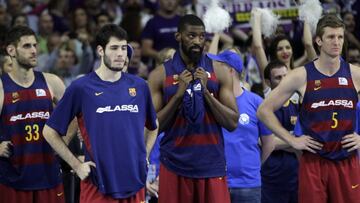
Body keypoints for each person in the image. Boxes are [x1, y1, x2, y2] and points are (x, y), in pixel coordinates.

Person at [42, 24, 159, 203]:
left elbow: (153, 126)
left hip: (135, 184)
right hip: (98, 186)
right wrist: (77, 165)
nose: (121, 54)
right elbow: (49, 132)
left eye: (123, 48)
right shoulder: (81, 87)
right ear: (100, 50)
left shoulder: (140, 86)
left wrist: (145, 155)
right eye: (114, 48)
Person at [257, 14, 360, 203]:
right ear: (318, 40)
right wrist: (291, 140)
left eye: (340, 37)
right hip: (313, 162)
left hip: (347, 160)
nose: (336, 42)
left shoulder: (355, 74)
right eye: (330, 37)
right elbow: (264, 110)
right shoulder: (301, 75)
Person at [148, 14, 239, 203]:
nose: (198, 41)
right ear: (178, 37)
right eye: (191, 36)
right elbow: (152, 127)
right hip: (174, 165)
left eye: (201, 36)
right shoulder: (159, 75)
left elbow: (232, 122)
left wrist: (206, 93)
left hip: (211, 164)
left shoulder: (220, 71)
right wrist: (178, 96)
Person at [0, 26, 68, 203]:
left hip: (49, 176)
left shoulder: (51, 81)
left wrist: (64, 143)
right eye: (27, 46)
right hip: (13, 180)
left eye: (35, 45)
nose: (33, 51)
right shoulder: (1, 88)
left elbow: (76, 115)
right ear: (11, 50)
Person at [208, 50, 274, 203]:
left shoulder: (256, 102)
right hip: (216, 180)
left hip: (248, 184)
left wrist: (252, 167)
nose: (212, 71)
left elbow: (269, 144)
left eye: (217, 66)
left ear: (230, 71)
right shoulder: (212, 101)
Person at [261, 60, 300, 203]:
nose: (284, 81)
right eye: (278, 78)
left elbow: (305, 140)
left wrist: (281, 140)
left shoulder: (296, 104)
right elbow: (264, 141)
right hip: (271, 176)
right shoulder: (263, 107)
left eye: (286, 76)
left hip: (295, 174)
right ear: (267, 81)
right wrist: (293, 140)